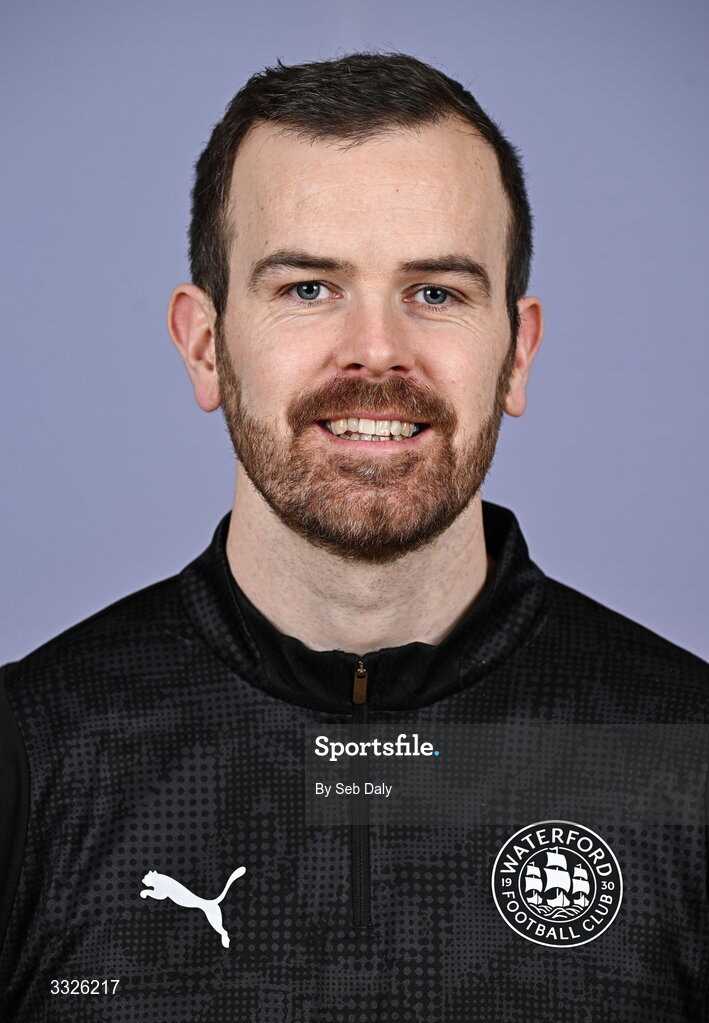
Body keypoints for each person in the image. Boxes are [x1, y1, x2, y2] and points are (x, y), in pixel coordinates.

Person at [1, 52, 707, 1023]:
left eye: (436, 293)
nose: (377, 350)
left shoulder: (686, 756)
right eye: (306, 288)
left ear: (517, 351)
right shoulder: (31, 758)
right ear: (205, 345)